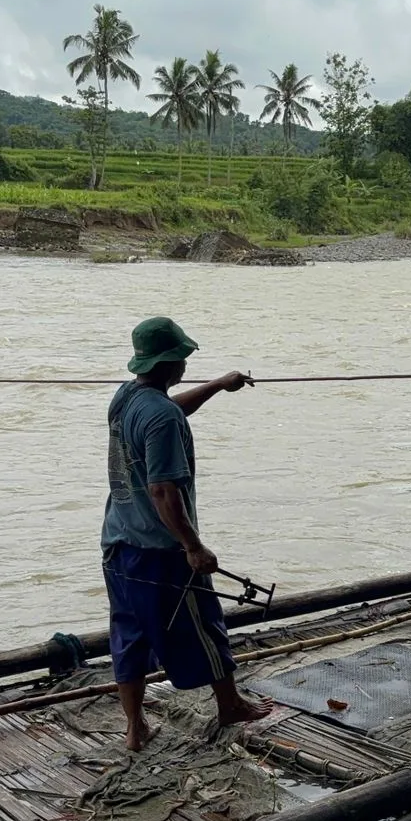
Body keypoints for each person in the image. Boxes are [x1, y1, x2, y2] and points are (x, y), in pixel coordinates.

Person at [101, 316, 273, 750]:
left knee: (129, 635)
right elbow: (162, 490)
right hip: (162, 551)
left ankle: (135, 726)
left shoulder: (127, 398)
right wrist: (193, 546)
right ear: (173, 360)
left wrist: (217, 385)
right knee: (205, 625)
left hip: (119, 544)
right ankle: (230, 704)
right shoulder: (160, 417)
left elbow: (169, 408)